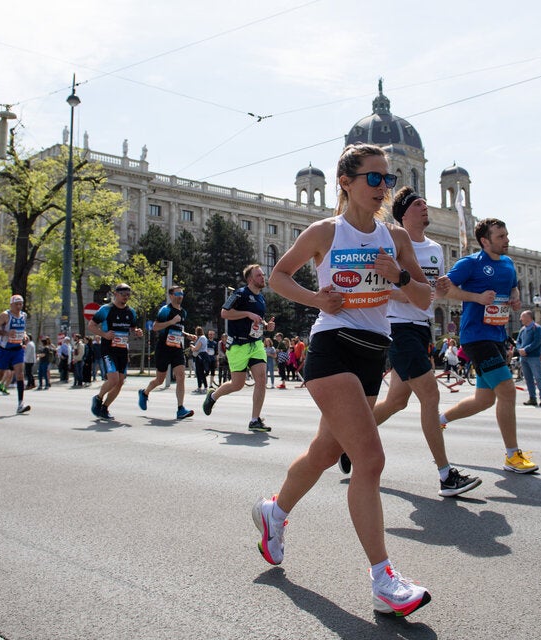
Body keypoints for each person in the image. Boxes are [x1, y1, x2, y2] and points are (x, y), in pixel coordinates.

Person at [256, 143, 432, 616]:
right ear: (347, 182)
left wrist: (397, 276)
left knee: (324, 452)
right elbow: (277, 276)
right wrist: (317, 300)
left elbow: (423, 300)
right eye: (374, 178)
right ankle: (383, 579)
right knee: (369, 459)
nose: (383, 188)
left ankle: (274, 511)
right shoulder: (325, 232)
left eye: (387, 180)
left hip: (374, 352)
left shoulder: (394, 238)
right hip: (332, 348)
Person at [340, 186, 481, 497]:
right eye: (419, 204)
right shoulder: (389, 241)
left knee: (396, 402)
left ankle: (346, 442)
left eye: (426, 204)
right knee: (430, 397)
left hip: (422, 327)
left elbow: (435, 292)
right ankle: (446, 475)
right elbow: (377, 286)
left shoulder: (435, 248)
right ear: (404, 213)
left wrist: (443, 288)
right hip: (399, 327)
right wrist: (407, 292)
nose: (425, 208)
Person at [434, 217, 539, 474]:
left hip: (497, 336)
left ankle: (438, 421)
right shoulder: (470, 263)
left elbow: (513, 288)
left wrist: (515, 300)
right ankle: (513, 455)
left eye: (506, 235)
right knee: (507, 389)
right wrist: (476, 297)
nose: (507, 240)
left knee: (484, 399)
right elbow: (444, 289)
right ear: (485, 240)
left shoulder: (508, 263)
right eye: (500, 236)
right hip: (476, 337)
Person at [202, 264, 275, 432]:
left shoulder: (261, 298)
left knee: (261, 379)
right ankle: (213, 396)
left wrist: (267, 326)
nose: (262, 277)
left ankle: (255, 420)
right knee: (237, 384)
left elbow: (258, 321)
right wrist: (247, 313)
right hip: (238, 345)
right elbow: (224, 313)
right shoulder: (240, 294)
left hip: (256, 344)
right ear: (249, 279)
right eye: (258, 275)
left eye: (263, 275)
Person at [89, 283, 145, 420]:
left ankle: (105, 407)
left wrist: (137, 332)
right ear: (116, 294)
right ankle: (98, 398)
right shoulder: (106, 309)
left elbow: (132, 328)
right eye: (123, 294)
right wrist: (104, 334)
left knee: (120, 382)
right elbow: (91, 326)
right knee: (113, 379)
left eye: (128, 295)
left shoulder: (131, 312)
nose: (126, 297)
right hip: (109, 349)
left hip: (122, 350)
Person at [139, 285, 195, 420]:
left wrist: (187, 335)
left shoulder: (183, 312)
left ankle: (180, 409)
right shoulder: (165, 310)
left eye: (182, 293)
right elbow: (155, 327)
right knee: (160, 379)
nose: (180, 296)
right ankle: (145, 393)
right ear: (171, 296)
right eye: (177, 293)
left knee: (181, 376)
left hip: (177, 348)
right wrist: (171, 321)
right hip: (163, 348)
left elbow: (177, 328)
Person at [0, 295, 30, 415]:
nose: (19, 307)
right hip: (4, 350)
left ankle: (20, 403)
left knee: (20, 374)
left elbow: (22, 329)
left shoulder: (24, 316)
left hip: (18, 349)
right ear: (11, 305)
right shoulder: (5, 315)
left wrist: (24, 336)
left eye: (21, 304)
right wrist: (7, 333)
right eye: (17, 304)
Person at [516, 310, 541, 407]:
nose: (521, 319)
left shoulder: (537, 328)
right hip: (523, 357)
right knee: (528, 378)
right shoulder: (522, 329)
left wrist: (526, 349)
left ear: (529, 318)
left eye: (522, 317)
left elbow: (537, 342)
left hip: (533, 356)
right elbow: (518, 341)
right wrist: (519, 349)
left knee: (538, 378)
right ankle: (532, 398)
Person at [190, 326, 210, 393]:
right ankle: (200, 387)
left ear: (197, 331)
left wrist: (192, 346)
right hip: (201, 356)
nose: (195, 332)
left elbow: (196, 348)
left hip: (201, 356)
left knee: (201, 372)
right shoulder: (202, 338)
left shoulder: (202, 338)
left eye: (196, 331)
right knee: (199, 372)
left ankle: (205, 387)